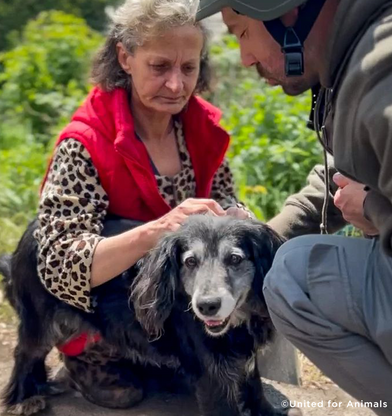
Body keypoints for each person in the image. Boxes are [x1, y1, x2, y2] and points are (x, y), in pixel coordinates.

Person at [35, 0, 252, 407]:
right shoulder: (86, 143)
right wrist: (157, 230)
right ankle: (87, 355)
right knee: (127, 392)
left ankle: (169, 352)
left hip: (168, 302)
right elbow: (58, 264)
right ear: (125, 57)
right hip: (105, 308)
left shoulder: (200, 129)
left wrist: (237, 216)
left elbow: (224, 199)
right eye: (159, 67)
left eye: (188, 68)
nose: (176, 85)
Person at [197, 0, 392, 413]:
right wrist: (263, 236)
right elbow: (348, 168)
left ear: (284, 11)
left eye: (242, 32)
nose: (245, 58)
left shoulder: (380, 73)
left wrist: (375, 208)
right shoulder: (356, 54)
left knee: (291, 277)